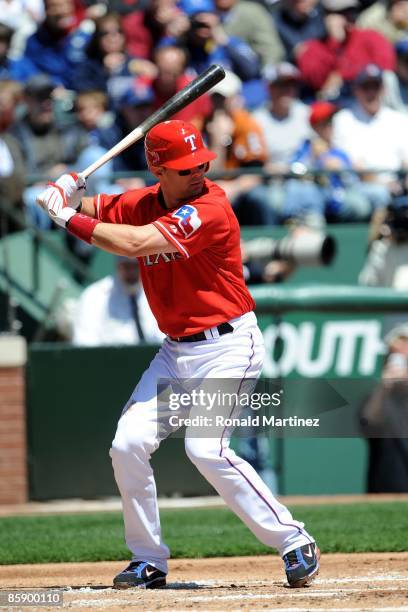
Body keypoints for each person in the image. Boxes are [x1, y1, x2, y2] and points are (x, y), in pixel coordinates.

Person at [36, 119, 319, 590]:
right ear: (158, 168)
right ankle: (148, 560)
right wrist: (64, 188)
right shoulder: (142, 202)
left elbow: (132, 242)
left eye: (201, 163)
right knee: (126, 444)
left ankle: (294, 540)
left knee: (205, 448)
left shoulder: (209, 207)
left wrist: (63, 215)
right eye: (186, 167)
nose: (199, 172)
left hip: (228, 345)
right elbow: (91, 208)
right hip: (175, 352)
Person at [295, 0, 396, 102]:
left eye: (351, 12)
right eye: (341, 13)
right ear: (326, 16)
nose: (348, 18)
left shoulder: (370, 37)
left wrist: (343, 76)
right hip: (334, 107)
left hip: (370, 100)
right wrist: (336, 44)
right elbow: (318, 82)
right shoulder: (313, 48)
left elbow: (386, 68)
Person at [72, 256, 164, 345]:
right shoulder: (94, 296)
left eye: (136, 266)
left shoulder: (156, 294)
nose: (132, 272)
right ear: (118, 265)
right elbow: (84, 342)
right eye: (127, 266)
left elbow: (163, 338)